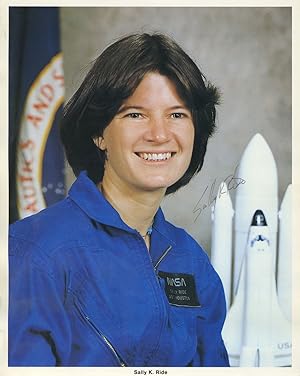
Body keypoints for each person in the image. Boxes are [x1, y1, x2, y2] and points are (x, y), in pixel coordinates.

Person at [9, 32, 230, 367]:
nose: (159, 134)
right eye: (135, 114)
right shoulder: (33, 252)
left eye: (177, 114)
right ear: (99, 133)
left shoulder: (190, 260)